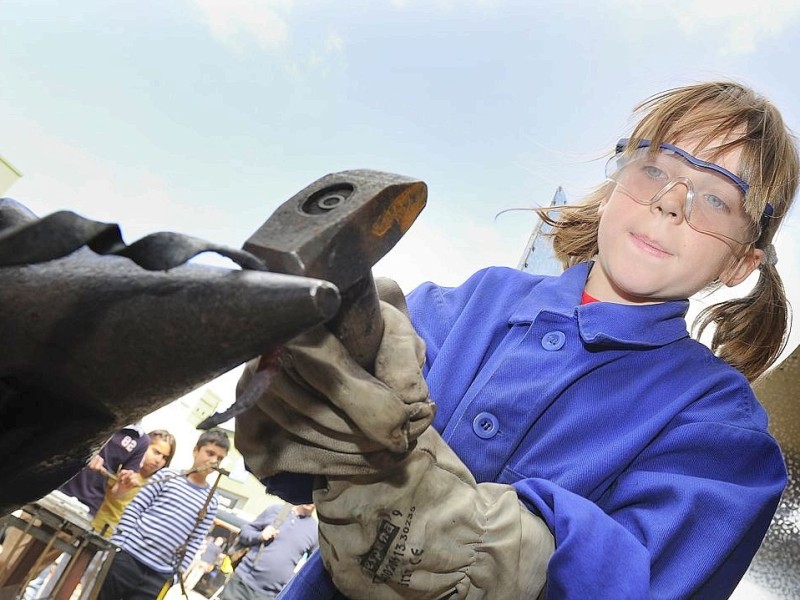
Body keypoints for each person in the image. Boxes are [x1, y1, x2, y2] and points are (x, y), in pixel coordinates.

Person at [232, 81, 799, 600]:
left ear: (742, 261)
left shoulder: (724, 429)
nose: (672, 200)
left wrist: (489, 549)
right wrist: (308, 377)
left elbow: (653, 579)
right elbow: (289, 466)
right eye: (656, 167)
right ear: (614, 183)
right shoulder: (477, 299)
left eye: (719, 197)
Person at [98, 428, 230, 600]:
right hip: (128, 558)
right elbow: (135, 509)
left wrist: (176, 575)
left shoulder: (211, 501)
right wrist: (119, 546)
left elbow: (195, 540)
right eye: (210, 453)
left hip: (158, 576)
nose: (214, 461)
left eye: (219, 458)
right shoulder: (168, 476)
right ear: (196, 451)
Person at [220, 503, 318, 600]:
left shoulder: (315, 530)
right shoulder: (276, 510)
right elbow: (244, 533)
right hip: (242, 584)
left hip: (271, 594)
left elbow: (313, 565)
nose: (311, 501)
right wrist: (260, 535)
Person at [91, 429, 177, 538]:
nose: (158, 460)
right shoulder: (125, 470)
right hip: (94, 523)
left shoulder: (156, 485)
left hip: (119, 537)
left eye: (165, 457)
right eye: (156, 452)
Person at [59, 424, 151, 516]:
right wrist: (87, 453)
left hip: (89, 501)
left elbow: (116, 493)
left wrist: (125, 486)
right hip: (60, 482)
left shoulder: (142, 440)